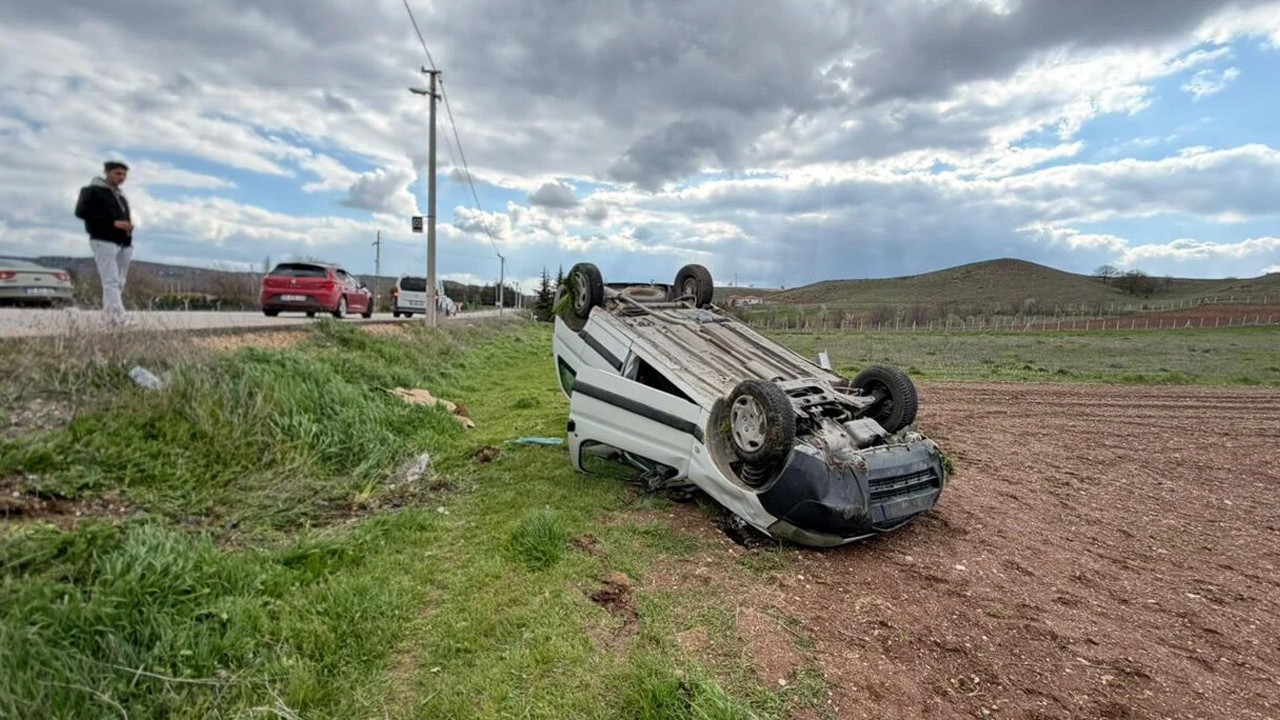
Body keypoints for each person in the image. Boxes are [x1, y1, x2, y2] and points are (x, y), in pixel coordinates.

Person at [74, 160, 135, 324]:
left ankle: (109, 316)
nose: (121, 177)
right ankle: (119, 316)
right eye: (117, 173)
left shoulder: (121, 196)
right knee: (111, 279)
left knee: (120, 281)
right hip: (103, 239)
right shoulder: (91, 191)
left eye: (124, 174)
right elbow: (81, 212)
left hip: (123, 242)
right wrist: (112, 223)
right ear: (107, 173)